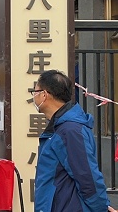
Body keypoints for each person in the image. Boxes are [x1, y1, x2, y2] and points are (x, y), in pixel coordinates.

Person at [33, 70, 113, 212]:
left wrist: (102, 208)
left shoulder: (69, 130)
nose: (34, 96)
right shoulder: (61, 127)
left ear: (44, 94)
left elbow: (87, 176)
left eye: (35, 92)